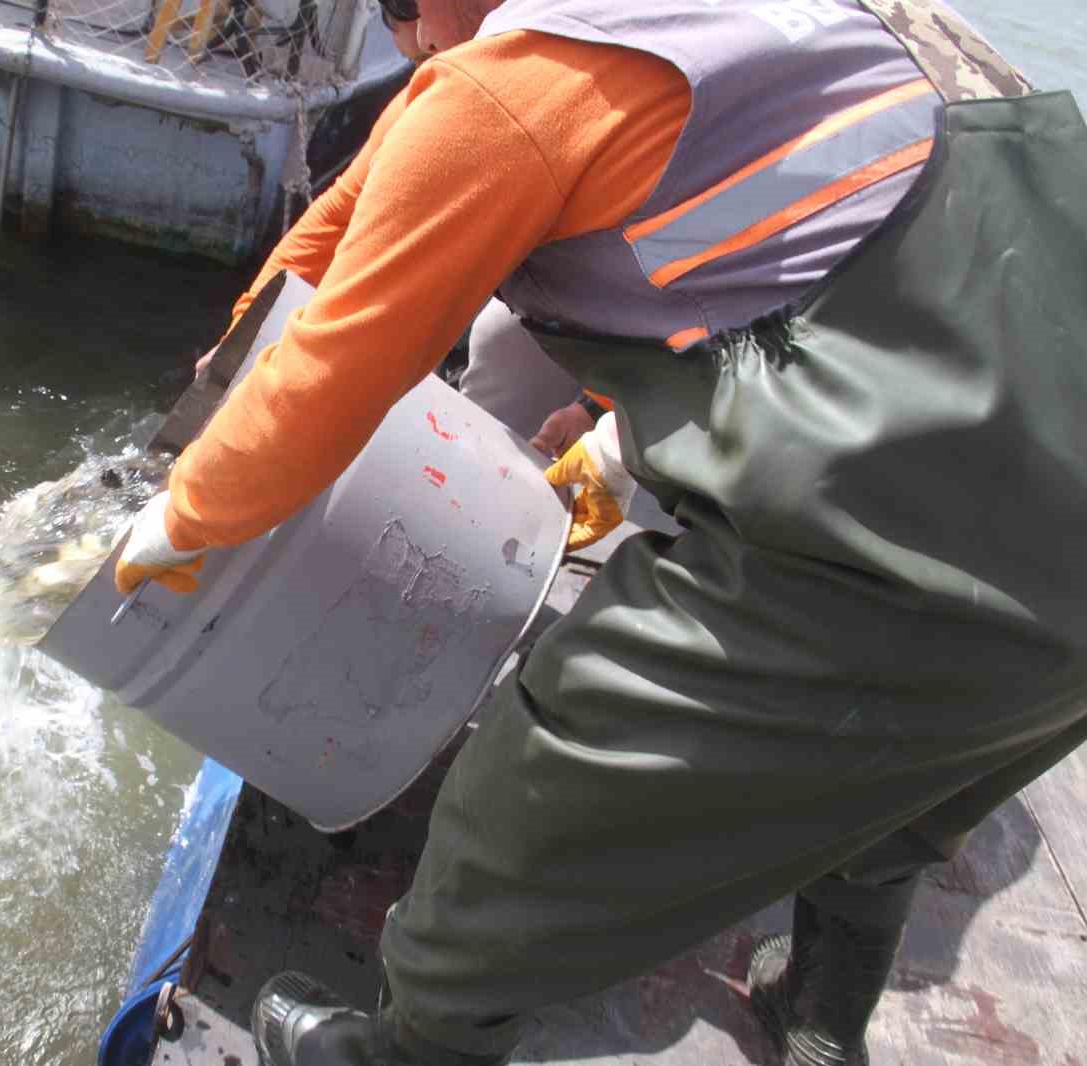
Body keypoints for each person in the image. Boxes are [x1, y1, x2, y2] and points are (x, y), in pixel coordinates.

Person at [115, 1, 1087, 1064]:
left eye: (412, 36)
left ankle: (403, 1049)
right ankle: (816, 1009)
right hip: (1043, 374)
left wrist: (181, 518)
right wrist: (230, 355)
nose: (416, 60)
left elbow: (330, 370)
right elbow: (342, 224)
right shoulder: (652, 19)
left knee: (543, 765)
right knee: (910, 773)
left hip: (910, 507)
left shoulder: (497, 95)